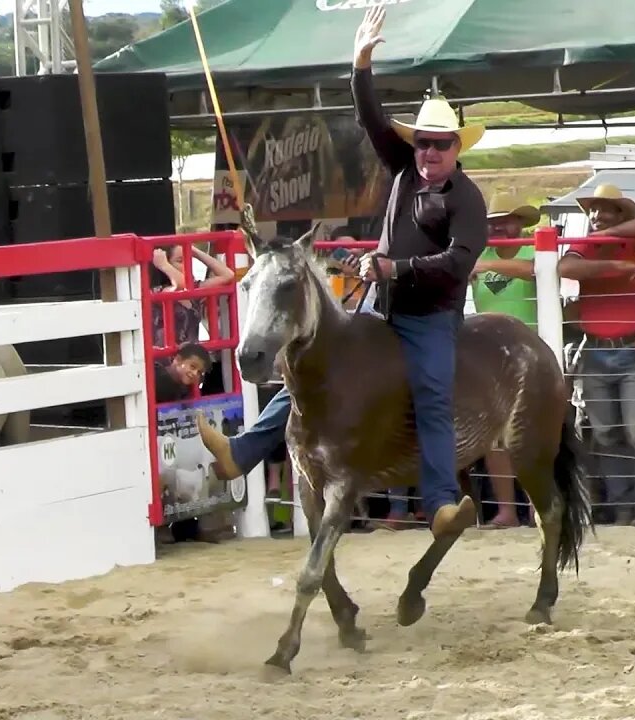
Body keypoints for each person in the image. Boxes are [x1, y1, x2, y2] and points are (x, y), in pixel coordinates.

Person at [199, 5, 489, 539]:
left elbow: (459, 261)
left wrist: (393, 266)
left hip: (430, 317)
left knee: (432, 394)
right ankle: (243, 451)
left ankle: (442, 503)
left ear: (456, 147)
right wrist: (360, 64)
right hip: (384, 306)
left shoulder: (466, 199)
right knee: (312, 369)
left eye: (440, 143)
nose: (429, 151)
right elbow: (370, 118)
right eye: (423, 141)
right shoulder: (404, 167)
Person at [556, 183, 635, 526]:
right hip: (596, 351)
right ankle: (623, 506)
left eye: (604, 208)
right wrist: (614, 266)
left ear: (620, 213)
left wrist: (606, 241)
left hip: (632, 350)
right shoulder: (585, 245)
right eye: (593, 209)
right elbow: (565, 268)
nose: (596, 215)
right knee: (605, 434)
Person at [470, 193, 542, 528]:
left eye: (505, 220)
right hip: (488, 358)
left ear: (520, 222)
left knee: (532, 433)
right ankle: (507, 510)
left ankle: (536, 506)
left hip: (531, 355)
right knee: (495, 437)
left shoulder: (533, 249)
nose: (498, 227)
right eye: (493, 222)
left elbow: (532, 271)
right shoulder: (478, 254)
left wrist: (485, 266)